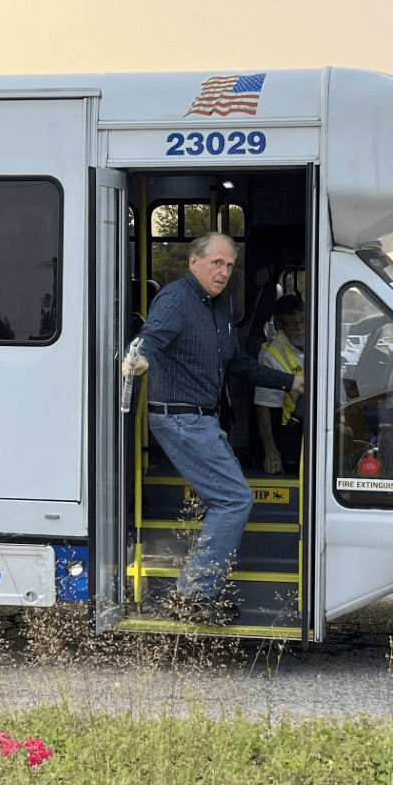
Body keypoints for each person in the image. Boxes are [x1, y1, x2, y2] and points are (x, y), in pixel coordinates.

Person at [130, 231, 301, 623]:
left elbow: (236, 362)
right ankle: (193, 595)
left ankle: (197, 588)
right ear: (194, 262)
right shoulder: (177, 299)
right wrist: (138, 359)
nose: (223, 272)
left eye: (228, 265)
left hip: (202, 420)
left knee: (227, 498)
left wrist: (288, 382)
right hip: (179, 419)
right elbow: (149, 339)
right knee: (234, 500)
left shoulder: (219, 306)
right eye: (216, 263)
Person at [254, 294, 306, 476]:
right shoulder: (271, 355)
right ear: (280, 324)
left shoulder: (319, 338)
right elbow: (264, 408)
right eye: (292, 323)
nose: (300, 328)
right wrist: (270, 451)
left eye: (302, 320)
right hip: (293, 429)